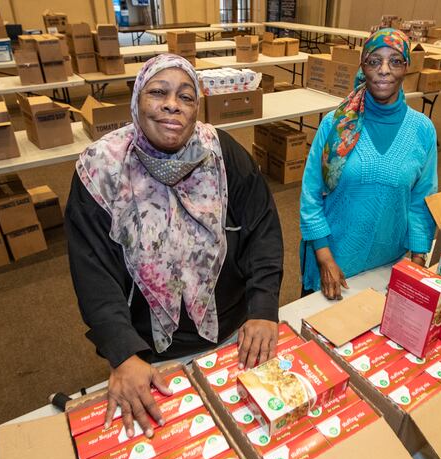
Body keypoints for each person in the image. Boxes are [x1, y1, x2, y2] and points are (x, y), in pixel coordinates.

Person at [65, 54, 283, 438]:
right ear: (136, 101)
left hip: (231, 332)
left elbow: (262, 227)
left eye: (185, 97)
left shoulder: (222, 153)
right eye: (158, 93)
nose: (172, 105)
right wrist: (123, 352)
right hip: (147, 351)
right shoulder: (101, 169)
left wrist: (263, 308)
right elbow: (92, 271)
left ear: (196, 108)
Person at [299, 28, 438, 299]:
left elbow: (422, 201)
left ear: (406, 67)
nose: (384, 70)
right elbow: (310, 196)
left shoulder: (422, 130)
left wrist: (418, 260)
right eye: (374, 61)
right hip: (333, 264)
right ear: (363, 66)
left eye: (395, 61)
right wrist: (324, 258)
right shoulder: (337, 125)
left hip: (388, 267)